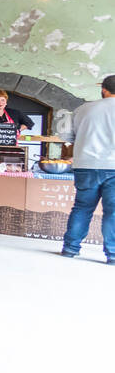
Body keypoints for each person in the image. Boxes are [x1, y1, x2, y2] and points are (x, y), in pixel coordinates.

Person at [61, 74, 115, 263]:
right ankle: (113, 254)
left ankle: (70, 248)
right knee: (113, 212)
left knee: (82, 208)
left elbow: (67, 137)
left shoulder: (83, 109)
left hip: (86, 164)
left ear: (104, 89)